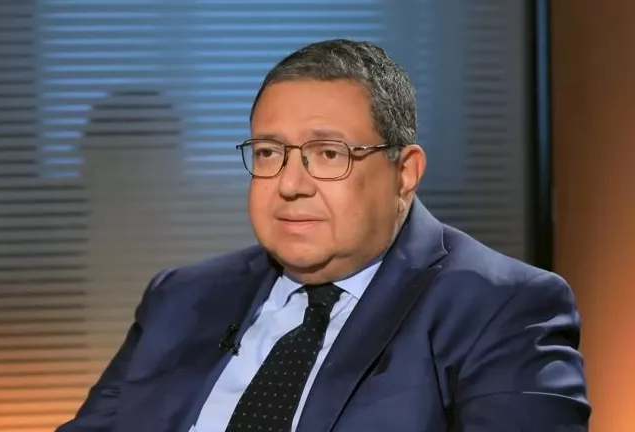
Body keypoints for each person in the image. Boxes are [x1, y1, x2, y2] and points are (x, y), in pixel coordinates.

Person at [56, 39, 590, 432]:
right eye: (269, 152)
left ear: (404, 173)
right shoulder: (179, 297)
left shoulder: (502, 307)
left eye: (328, 154)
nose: (290, 184)